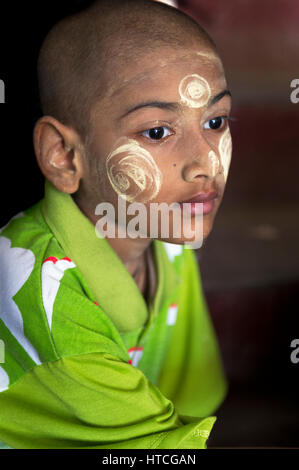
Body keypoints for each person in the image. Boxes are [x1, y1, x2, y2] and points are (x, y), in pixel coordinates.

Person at [0, 0, 232, 449]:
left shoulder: (167, 236)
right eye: (157, 132)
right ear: (64, 156)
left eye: (216, 121)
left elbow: (191, 408)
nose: (205, 162)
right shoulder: (42, 296)